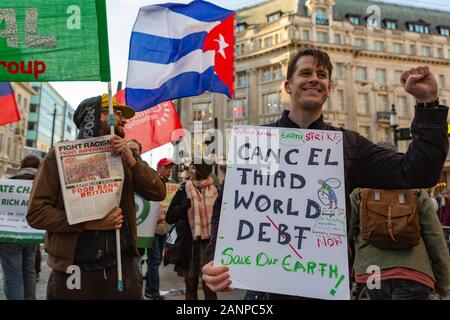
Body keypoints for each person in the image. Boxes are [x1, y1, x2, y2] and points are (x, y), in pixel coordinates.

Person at [202, 47, 449, 299]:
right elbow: (227, 210)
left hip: (324, 287)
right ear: (288, 86)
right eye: (305, 72)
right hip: (264, 291)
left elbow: (416, 172)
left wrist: (427, 103)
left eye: (322, 75)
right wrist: (214, 260)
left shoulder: (348, 145)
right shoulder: (257, 142)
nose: (314, 79)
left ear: (329, 88)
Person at [26, 94, 166, 300]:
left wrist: (132, 160)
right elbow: (37, 214)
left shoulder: (126, 155)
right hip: (75, 271)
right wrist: (89, 223)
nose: (125, 120)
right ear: (99, 117)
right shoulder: (58, 157)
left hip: (122, 266)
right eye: (118, 113)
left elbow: (158, 192)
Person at [350, 187, 450, 300]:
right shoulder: (417, 193)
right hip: (413, 274)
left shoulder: (359, 193)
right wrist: (443, 286)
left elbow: (346, 233)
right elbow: (436, 240)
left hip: (372, 272)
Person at [166, 161, 218, 300]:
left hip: (210, 245)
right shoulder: (184, 189)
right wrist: (183, 207)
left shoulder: (215, 190)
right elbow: (169, 217)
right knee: (190, 285)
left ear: (202, 171)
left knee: (210, 287)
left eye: (194, 168)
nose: (190, 170)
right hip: (189, 245)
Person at [0, 155, 40, 300]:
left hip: (10, 235)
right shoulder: (40, 185)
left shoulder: (9, 184)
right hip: (32, 234)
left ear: (21, 167)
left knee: (13, 275)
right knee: (29, 271)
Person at [144, 157, 175, 300]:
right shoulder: (153, 182)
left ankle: (150, 290)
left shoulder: (172, 185)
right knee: (154, 261)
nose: (169, 171)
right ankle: (152, 291)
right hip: (153, 227)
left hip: (165, 228)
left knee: (155, 260)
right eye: (166, 168)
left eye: (170, 169)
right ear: (159, 168)